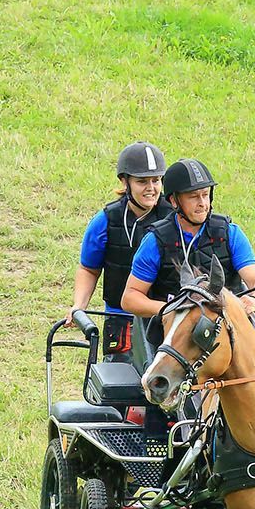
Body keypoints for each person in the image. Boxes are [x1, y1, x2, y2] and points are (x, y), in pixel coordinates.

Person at [120, 158, 255, 337]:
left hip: (229, 329)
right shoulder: (154, 241)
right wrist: (172, 309)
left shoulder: (230, 233)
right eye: (193, 197)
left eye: (205, 195)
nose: (202, 203)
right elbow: (130, 298)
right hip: (176, 334)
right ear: (174, 201)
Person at [71, 142, 174, 358]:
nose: (151, 188)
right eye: (142, 181)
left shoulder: (176, 219)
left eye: (156, 180)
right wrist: (78, 306)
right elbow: (89, 269)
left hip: (165, 318)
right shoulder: (106, 220)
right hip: (121, 321)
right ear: (125, 182)